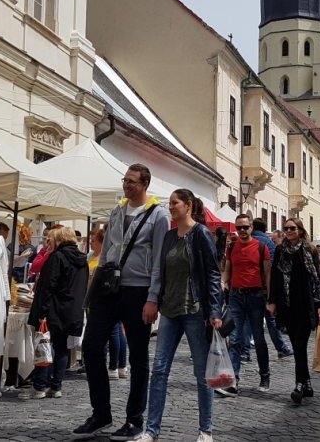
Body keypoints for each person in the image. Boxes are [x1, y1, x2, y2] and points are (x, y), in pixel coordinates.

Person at [74, 164, 171, 441]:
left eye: (132, 181)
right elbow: (106, 250)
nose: (126, 185)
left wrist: (153, 298)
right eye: (125, 180)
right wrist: (96, 287)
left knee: (138, 356)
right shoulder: (117, 210)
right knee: (91, 346)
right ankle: (101, 414)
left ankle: (134, 419)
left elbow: (160, 261)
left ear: (145, 184)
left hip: (139, 290)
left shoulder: (159, 215)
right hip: (109, 288)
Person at [134, 189, 223, 442]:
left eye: (175, 203)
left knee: (201, 373)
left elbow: (213, 273)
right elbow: (159, 270)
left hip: (194, 310)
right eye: (170, 204)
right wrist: (154, 299)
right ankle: (151, 431)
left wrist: (214, 310)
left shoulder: (201, 233)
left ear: (188, 205)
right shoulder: (169, 236)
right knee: (159, 370)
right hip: (170, 311)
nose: (171, 207)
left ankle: (206, 430)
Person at [266, 218, 320, 405]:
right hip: (287, 305)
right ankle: (307, 383)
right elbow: (275, 277)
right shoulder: (280, 250)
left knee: (299, 345)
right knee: (297, 344)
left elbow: (316, 279)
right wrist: (272, 301)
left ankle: (299, 385)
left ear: (300, 230)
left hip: (305, 305)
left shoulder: (309, 250)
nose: (289, 231)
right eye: (286, 228)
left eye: (292, 228)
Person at [28, 226, 89, 399]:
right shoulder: (82, 260)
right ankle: (56, 386)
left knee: (44, 345)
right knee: (62, 348)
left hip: (53, 309)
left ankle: (40, 386)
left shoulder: (57, 257)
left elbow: (48, 286)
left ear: (60, 239)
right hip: (71, 310)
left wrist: (42, 311)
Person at [220, 213, 271, 396]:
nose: (242, 230)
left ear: (251, 228)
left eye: (245, 227)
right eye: (239, 227)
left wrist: (270, 298)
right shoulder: (232, 247)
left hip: (256, 296)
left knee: (258, 339)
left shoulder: (261, 247)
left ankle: (265, 375)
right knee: (234, 339)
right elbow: (227, 269)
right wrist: (223, 281)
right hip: (236, 296)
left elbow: (267, 274)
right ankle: (233, 381)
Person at [88, 226, 128, 380]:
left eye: (93, 241)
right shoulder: (93, 255)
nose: (91, 243)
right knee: (117, 331)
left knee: (115, 331)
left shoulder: (110, 253)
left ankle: (115, 366)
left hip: (109, 291)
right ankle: (120, 366)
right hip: (102, 292)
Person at [252, 219, 293, 359]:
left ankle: (244, 350)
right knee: (270, 319)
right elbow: (274, 266)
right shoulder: (268, 243)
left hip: (249, 286)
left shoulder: (247, 240)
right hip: (265, 287)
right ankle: (281, 348)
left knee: (249, 321)